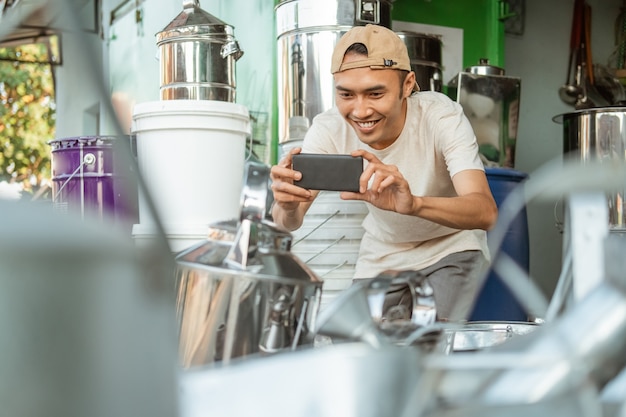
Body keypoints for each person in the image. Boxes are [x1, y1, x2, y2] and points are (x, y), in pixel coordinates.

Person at [270, 24, 498, 322]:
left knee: (430, 344)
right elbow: (289, 222)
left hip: (450, 245)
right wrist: (285, 206)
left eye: (375, 93)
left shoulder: (441, 116)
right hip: (383, 251)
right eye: (346, 95)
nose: (361, 111)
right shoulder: (328, 129)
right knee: (356, 343)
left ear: (407, 86)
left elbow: (485, 211)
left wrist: (414, 204)